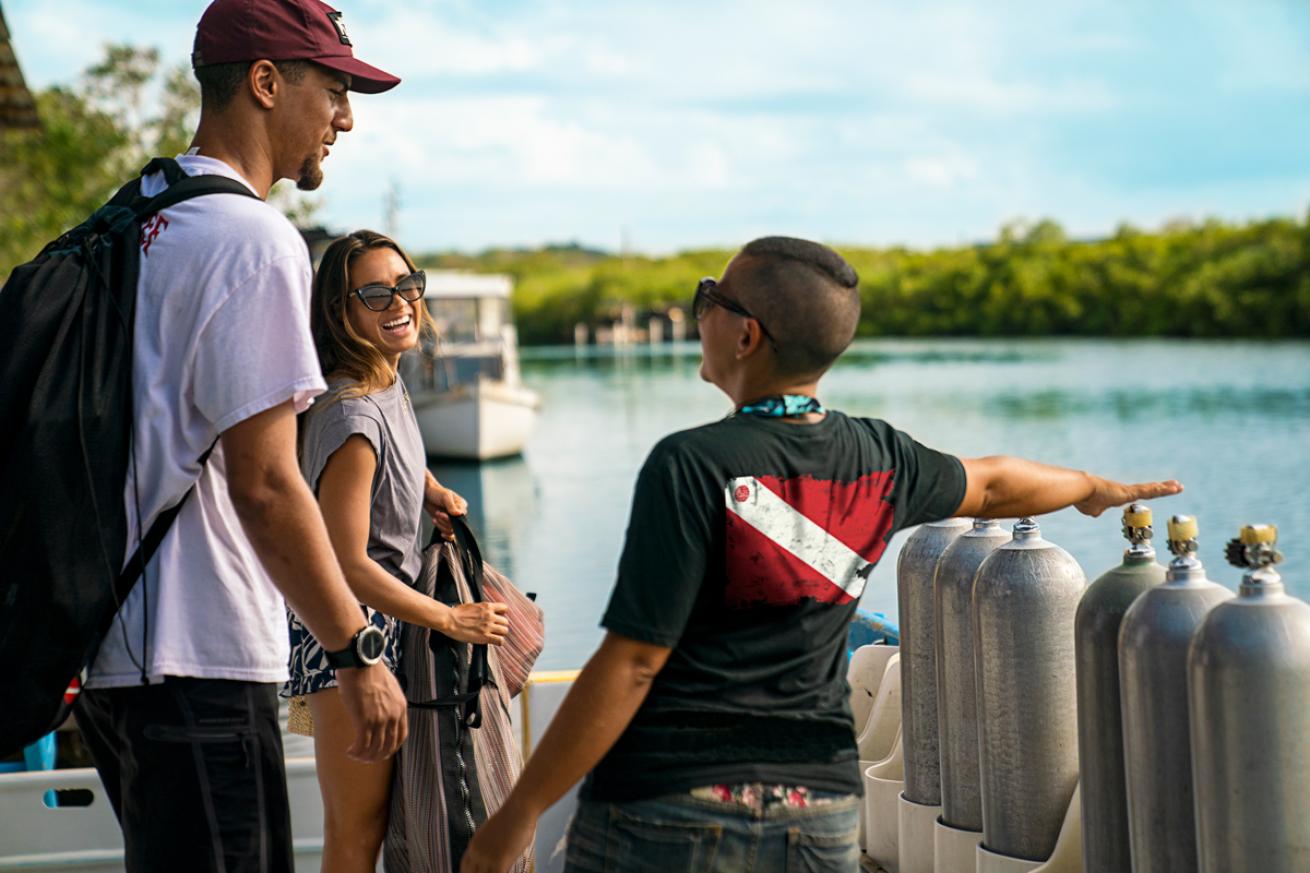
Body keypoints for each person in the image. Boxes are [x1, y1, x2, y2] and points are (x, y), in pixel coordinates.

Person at [460, 236, 1182, 873]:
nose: (699, 308)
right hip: (819, 811)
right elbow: (993, 484)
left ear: (746, 336)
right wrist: (1089, 486)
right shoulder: (881, 456)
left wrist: (521, 809)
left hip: (669, 806)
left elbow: (634, 661)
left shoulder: (689, 464)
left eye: (709, 295)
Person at [73, 3, 411, 871]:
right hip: (203, 660)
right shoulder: (254, 239)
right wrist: (356, 649)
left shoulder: (139, 217)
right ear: (265, 81)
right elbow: (263, 484)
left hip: (115, 664)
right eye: (334, 89)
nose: (345, 117)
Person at [286, 230, 510, 873]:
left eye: (407, 286)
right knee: (356, 835)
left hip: (388, 625)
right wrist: (449, 618)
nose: (401, 303)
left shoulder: (387, 380)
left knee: (386, 826)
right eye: (377, 293)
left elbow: (395, 464)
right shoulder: (352, 413)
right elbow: (345, 562)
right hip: (353, 634)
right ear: (340, 312)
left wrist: (430, 489)